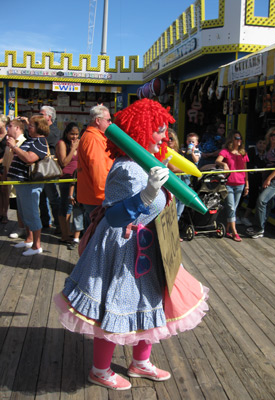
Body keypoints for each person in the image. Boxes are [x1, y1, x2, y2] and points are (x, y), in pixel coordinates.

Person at [54, 99, 209, 391]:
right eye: (159, 130)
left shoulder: (150, 162)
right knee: (114, 306)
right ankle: (100, 370)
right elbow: (113, 216)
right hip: (122, 248)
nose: (165, 136)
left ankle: (141, 362)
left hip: (149, 246)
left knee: (150, 303)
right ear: (142, 131)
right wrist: (148, 194)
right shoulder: (126, 169)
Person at [6, 116, 49, 256]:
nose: (28, 127)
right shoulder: (33, 140)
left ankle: (37, 245)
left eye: (31, 125)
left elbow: (29, 158)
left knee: (32, 214)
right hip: (23, 183)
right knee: (25, 213)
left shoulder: (40, 142)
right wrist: (25, 121)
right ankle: (29, 239)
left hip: (30, 184)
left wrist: (14, 147)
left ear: (39, 128)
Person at [77, 105, 114, 226]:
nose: (111, 122)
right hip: (97, 198)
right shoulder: (94, 138)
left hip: (94, 197)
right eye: (108, 120)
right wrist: (106, 198)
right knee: (97, 234)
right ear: (98, 121)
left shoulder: (93, 136)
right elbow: (98, 170)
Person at [246, 127, 275, 239]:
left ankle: (259, 228)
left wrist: (269, 179)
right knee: (266, 204)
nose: (273, 137)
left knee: (261, 201)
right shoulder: (269, 147)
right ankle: (259, 226)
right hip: (266, 179)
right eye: (271, 135)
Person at [215, 131, 249, 242]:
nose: (239, 140)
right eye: (236, 138)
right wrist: (224, 164)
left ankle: (228, 228)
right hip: (229, 183)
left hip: (240, 183)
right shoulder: (226, 151)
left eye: (240, 138)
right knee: (231, 207)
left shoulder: (243, 153)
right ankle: (235, 231)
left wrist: (247, 184)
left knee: (234, 207)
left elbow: (245, 170)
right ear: (231, 139)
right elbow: (217, 160)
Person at [55, 122, 80, 243]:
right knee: (64, 206)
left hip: (76, 178)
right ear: (66, 133)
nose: (74, 137)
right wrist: (74, 148)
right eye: (72, 134)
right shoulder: (62, 143)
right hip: (65, 178)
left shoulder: (77, 143)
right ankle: (64, 234)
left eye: (76, 134)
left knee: (71, 206)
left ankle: (68, 231)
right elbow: (64, 162)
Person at [39, 106, 61, 231]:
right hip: (40, 168)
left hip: (48, 168)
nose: (39, 117)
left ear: (49, 117)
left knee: (52, 197)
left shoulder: (54, 131)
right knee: (42, 198)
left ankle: (58, 224)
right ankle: (45, 222)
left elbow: (44, 139)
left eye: (41, 115)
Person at [240, 137, 266, 227]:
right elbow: (248, 165)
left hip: (258, 180)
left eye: (264, 143)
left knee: (253, 198)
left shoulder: (266, 154)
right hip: (247, 178)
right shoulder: (251, 151)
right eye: (260, 142)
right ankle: (234, 217)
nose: (262, 145)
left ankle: (245, 217)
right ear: (256, 143)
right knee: (241, 196)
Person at [0, 115, 10, 224]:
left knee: (4, 191)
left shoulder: (8, 136)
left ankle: (5, 213)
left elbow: (7, 153)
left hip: (4, 165)